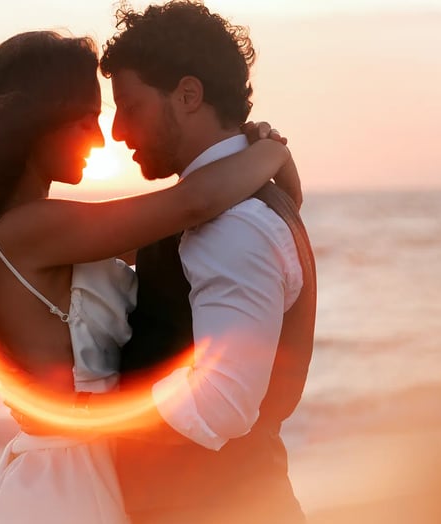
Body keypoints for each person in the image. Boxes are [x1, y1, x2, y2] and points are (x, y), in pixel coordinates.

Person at [0, 30, 299, 524]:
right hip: (64, 481)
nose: (101, 140)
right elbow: (194, 203)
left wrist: (273, 199)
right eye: (85, 122)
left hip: (85, 462)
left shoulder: (47, 230)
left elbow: (182, 242)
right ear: (36, 125)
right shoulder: (29, 229)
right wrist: (274, 156)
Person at [95, 2, 318, 522]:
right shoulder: (229, 208)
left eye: (130, 106)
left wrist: (85, 421)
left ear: (188, 95)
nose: (120, 131)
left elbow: (222, 401)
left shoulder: (234, 224)